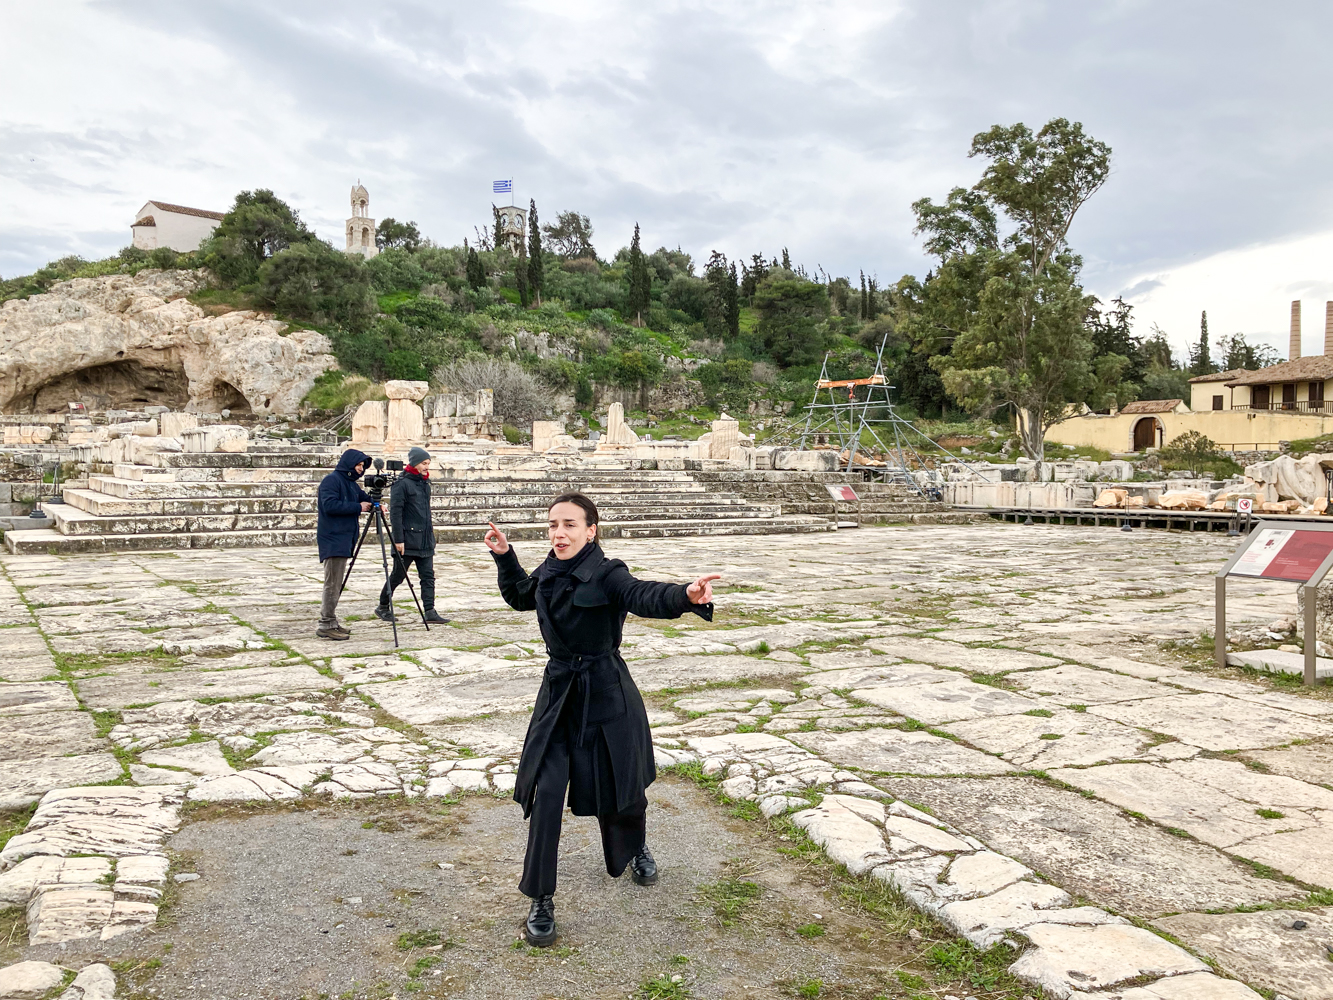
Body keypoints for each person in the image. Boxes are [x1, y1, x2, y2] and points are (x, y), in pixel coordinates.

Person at [483, 493, 719, 948]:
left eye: (569, 524)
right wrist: (505, 556)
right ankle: (541, 897)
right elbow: (520, 597)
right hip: (558, 695)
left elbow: (642, 595)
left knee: (622, 783)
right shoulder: (549, 569)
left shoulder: (609, 573)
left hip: (606, 690)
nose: (558, 533)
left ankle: (635, 848)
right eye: (553, 524)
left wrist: (685, 597)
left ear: (591, 530)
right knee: (547, 793)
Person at [375, 446, 449, 625]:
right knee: (398, 576)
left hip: (425, 539)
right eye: (424, 463)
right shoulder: (402, 484)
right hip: (407, 540)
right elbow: (396, 513)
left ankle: (430, 610)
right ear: (414, 463)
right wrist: (398, 539)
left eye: (428, 463)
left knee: (428, 576)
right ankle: (383, 606)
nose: (426, 467)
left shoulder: (425, 484)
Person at [315, 448, 373, 640]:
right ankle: (325, 623)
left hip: (344, 538)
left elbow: (364, 499)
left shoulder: (351, 485)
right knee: (332, 583)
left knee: (336, 582)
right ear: (349, 464)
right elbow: (330, 505)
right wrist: (358, 507)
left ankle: (331, 621)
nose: (360, 469)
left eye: (362, 466)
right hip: (333, 538)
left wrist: (375, 503)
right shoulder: (332, 481)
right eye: (358, 465)